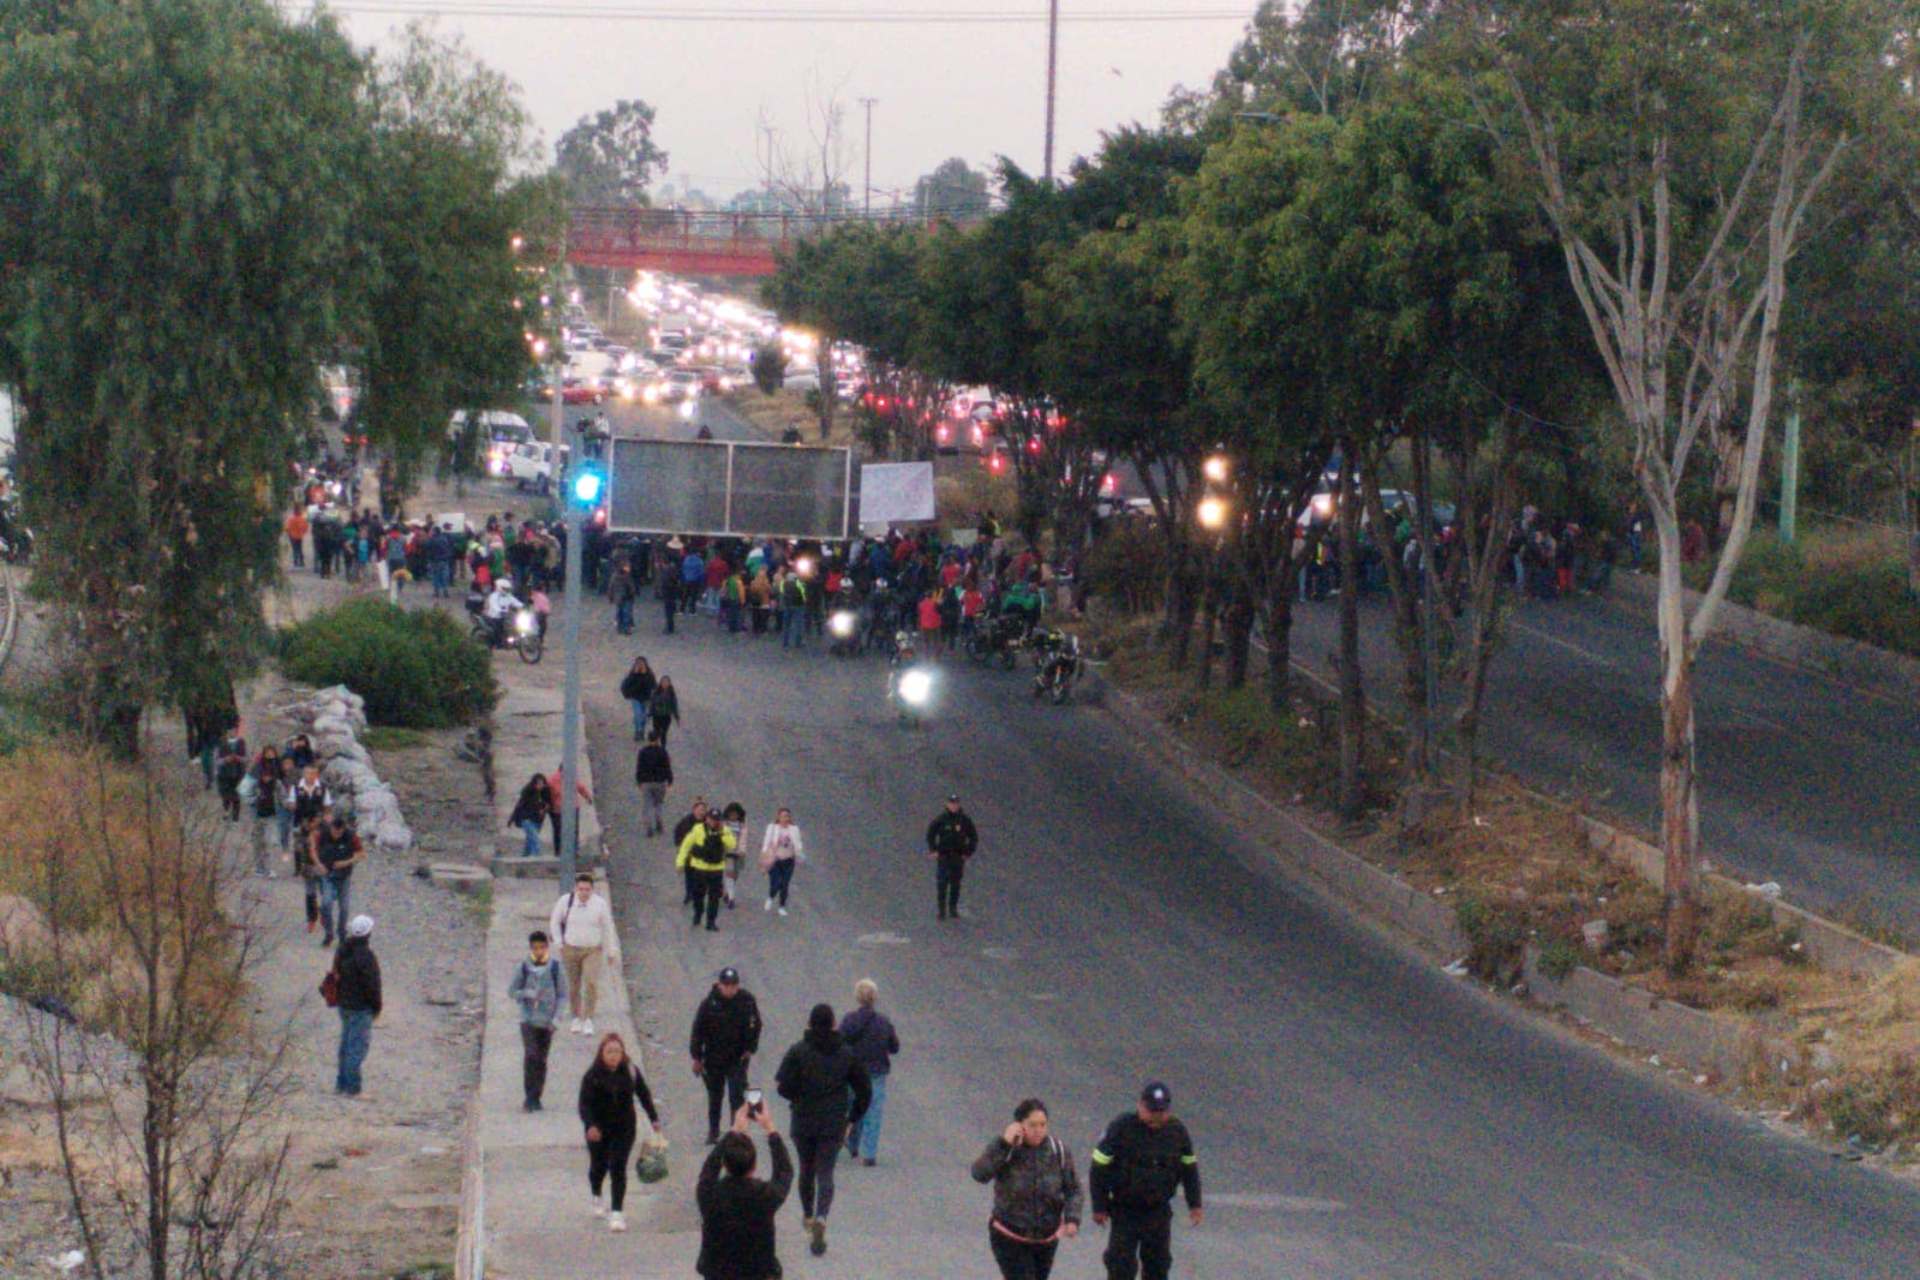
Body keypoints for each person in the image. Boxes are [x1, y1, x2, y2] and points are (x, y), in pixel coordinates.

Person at [774, 1003, 872, 1258]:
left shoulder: (798, 1051)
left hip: (804, 1120)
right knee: (826, 1172)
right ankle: (822, 1217)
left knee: (806, 1169)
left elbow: (781, 1085)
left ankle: (807, 1216)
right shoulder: (846, 1054)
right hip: (833, 1123)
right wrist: (852, 1118)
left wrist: (798, 1096)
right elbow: (865, 1090)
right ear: (834, 1025)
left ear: (809, 1023)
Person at [1089, 1083, 1202, 1280]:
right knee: (1120, 1266)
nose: (1156, 1117)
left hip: (1158, 1212)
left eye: (1161, 1112)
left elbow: (1189, 1169)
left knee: (1158, 1267)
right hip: (1125, 1211)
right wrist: (1099, 1206)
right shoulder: (1121, 1127)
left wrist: (1195, 1204)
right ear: (1140, 1106)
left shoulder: (1177, 1132)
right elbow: (1098, 1168)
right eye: (1152, 1111)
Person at [972, 1098, 1083, 1280]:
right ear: (1019, 1125)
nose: (1038, 1130)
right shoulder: (1006, 1149)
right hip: (1009, 1236)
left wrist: (1072, 1219)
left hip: (1046, 1239)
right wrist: (1004, 1143)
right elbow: (979, 1174)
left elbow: (1073, 1188)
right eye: (1032, 1125)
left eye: (1043, 1124)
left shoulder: (1058, 1151)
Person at [696, 1102, 792, 1280]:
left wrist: (733, 1132)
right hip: (757, 1273)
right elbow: (784, 1172)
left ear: (724, 1165)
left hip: (718, 1272)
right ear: (754, 1166)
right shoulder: (764, 1195)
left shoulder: (710, 1195)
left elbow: (708, 1171)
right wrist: (770, 1130)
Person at [580, 1032, 661, 1234]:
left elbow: (643, 1094)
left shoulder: (631, 1071)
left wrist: (653, 1118)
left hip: (624, 1128)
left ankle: (617, 1211)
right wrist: (590, 1125)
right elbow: (584, 1105)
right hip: (599, 1129)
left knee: (618, 1166)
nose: (614, 1055)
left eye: (617, 1051)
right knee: (598, 1166)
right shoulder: (592, 1076)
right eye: (609, 1051)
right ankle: (596, 1194)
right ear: (602, 1054)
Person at [690, 966, 762, 1145]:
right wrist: (697, 1057)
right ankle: (713, 1131)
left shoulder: (747, 1001)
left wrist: (750, 1048)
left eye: (733, 985)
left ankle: (735, 1130)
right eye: (726, 985)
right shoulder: (709, 1004)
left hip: (737, 1058)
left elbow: (756, 1025)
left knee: (737, 1094)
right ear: (720, 985)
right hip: (714, 1058)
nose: (730, 989)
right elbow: (698, 1031)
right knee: (715, 1095)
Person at [550, 874, 618, 1036]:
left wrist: (611, 950)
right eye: (581, 889)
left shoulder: (599, 904)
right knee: (573, 985)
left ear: (592, 890)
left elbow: (608, 927)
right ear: (575, 888)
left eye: (587, 889)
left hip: (592, 949)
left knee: (591, 982)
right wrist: (559, 943)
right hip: (570, 948)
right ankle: (576, 1016)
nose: (584, 893)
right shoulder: (566, 902)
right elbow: (554, 921)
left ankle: (588, 1018)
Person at [838, 980, 898, 1166]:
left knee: (853, 1107)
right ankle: (869, 1153)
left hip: (853, 1072)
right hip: (876, 1072)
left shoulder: (849, 1020)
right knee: (874, 1111)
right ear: (875, 998)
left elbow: (839, 1043)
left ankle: (853, 1143)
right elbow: (894, 1047)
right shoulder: (883, 1022)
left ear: (857, 997)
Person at [507, 930, 567, 1111]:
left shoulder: (556, 968)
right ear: (531, 948)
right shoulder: (524, 967)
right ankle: (529, 1097)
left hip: (547, 1021)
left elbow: (562, 996)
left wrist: (556, 1019)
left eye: (542, 947)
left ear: (547, 947)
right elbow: (511, 991)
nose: (539, 951)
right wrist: (526, 993)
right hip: (528, 1019)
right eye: (535, 948)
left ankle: (537, 1095)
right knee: (531, 1055)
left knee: (541, 1059)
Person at [330, 914, 381, 1097]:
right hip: (361, 1008)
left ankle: (341, 1084)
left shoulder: (343, 951)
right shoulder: (366, 957)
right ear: (368, 934)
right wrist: (377, 1007)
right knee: (357, 1048)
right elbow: (373, 986)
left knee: (345, 1045)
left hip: (344, 1006)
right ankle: (352, 1088)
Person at [308, 810, 365, 947]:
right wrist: (318, 864)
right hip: (327, 875)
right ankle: (329, 933)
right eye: (334, 831)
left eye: (339, 833)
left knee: (344, 908)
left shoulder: (351, 836)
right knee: (326, 904)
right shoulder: (322, 834)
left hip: (344, 877)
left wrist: (346, 862)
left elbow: (361, 854)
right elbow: (313, 849)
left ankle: (342, 934)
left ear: (343, 829)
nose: (336, 835)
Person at [678, 808, 736, 931]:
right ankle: (698, 914)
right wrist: (680, 862)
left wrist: (722, 833)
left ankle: (711, 922)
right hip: (700, 869)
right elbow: (686, 845)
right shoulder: (698, 829)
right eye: (711, 819)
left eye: (716, 820)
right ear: (707, 818)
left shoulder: (724, 831)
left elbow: (732, 845)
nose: (713, 822)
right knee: (698, 895)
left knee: (714, 898)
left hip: (716, 869)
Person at [927, 793, 980, 921]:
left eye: (955, 803)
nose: (953, 806)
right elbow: (930, 834)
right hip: (944, 856)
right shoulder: (941, 819)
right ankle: (941, 910)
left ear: (959, 805)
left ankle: (953, 909)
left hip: (957, 856)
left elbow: (973, 837)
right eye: (951, 803)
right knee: (942, 883)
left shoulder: (964, 820)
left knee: (955, 883)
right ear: (947, 804)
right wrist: (933, 850)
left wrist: (967, 853)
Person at [759, 807, 804, 916]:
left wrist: (799, 853)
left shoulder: (794, 829)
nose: (785, 818)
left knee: (785, 884)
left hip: (789, 860)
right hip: (775, 860)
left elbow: (798, 843)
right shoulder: (773, 828)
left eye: (787, 816)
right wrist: (764, 854)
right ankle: (770, 897)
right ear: (778, 817)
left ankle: (782, 906)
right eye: (783, 816)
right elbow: (766, 841)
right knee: (776, 883)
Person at [248, 744, 283, 875]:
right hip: (257, 813)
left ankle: (270, 868)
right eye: (267, 752)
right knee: (258, 842)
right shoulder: (256, 773)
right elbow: (245, 790)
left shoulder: (278, 775)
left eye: (271, 752)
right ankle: (259, 867)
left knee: (270, 842)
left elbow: (283, 795)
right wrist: (253, 799)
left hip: (272, 814)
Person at [635, 732, 673, 837]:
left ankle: (648, 828)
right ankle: (659, 823)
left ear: (648, 740)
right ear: (657, 740)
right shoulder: (662, 752)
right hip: (660, 782)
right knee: (658, 804)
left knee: (647, 805)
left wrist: (639, 781)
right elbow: (667, 767)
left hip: (646, 782)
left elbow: (639, 767)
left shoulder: (643, 752)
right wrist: (670, 780)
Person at [508, 774, 553, 859]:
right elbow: (519, 805)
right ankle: (538, 858)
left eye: (541, 783)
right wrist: (511, 819)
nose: (540, 786)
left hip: (538, 820)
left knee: (529, 841)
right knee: (534, 838)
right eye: (538, 784)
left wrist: (544, 810)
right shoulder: (528, 792)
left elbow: (549, 804)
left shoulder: (545, 792)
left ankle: (524, 857)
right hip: (527, 819)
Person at [214, 723, 249, 821]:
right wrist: (225, 760)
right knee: (225, 794)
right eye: (229, 730)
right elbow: (216, 759)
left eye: (233, 730)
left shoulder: (241, 742)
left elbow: (246, 758)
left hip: (238, 772)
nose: (231, 732)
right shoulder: (221, 742)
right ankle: (226, 810)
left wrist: (239, 758)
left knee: (236, 794)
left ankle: (236, 814)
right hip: (224, 773)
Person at [620, 656, 656, 742]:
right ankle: (638, 731)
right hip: (635, 698)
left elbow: (653, 686)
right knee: (638, 714)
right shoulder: (632, 674)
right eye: (638, 664)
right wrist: (634, 675)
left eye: (641, 664)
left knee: (643, 717)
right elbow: (626, 684)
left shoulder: (649, 675)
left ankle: (641, 731)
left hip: (646, 699)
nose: (640, 666)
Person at [720, 801, 748, 908]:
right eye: (731, 814)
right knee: (730, 873)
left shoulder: (742, 826)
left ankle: (727, 892)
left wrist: (742, 850)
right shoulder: (724, 824)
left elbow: (743, 839)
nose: (733, 816)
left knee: (735, 875)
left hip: (739, 854)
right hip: (728, 853)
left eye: (735, 814)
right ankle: (732, 898)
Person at [483, 576, 520, 646]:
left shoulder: (508, 596)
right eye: (505, 589)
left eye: (507, 589)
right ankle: (497, 643)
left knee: (515, 624)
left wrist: (523, 606)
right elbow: (494, 606)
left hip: (505, 616)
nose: (507, 590)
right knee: (498, 627)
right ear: (499, 587)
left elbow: (515, 601)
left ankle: (512, 639)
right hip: (494, 616)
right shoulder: (493, 596)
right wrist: (500, 611)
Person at [650, 676, 681, 748]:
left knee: (664, 733)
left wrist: (677, 717)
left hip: (666, 716)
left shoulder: (671, 693)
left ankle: (663, 747)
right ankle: (656, 746)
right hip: (656, 716)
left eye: (666, 682)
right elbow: (652, 703)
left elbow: (674, 705)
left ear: (669, 683)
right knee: (656, 732)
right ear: (660, 683)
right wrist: (650, 713)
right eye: (663, 682)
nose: (665, 684)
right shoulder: (656, 692)